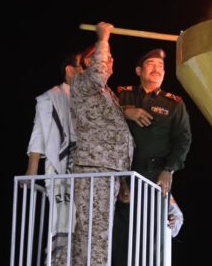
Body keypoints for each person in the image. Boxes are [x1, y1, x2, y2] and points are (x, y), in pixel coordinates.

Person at [54, 22, 135, 266]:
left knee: (90, 233)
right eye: (104, 57)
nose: (109, 61)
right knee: (95, 235)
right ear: (88, 63)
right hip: (95, 169)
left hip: (105, 170)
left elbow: (113, 132)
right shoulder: (84, 84)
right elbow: (100, 71)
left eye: (109, 57)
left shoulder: (103, 93)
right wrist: (103, 38)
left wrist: (122, 180)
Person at [112, 48, 192, 265]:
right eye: (151, 64)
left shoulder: (173, 103)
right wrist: (126, 111)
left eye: (161, 66)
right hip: (124, 175)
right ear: (138, 70)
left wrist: (169, 170)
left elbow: (183, 140)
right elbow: (103, 119)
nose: (157, 69)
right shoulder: (122, 95)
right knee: (120, 238)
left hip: (155, 176)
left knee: (151, 238)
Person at [24, 51, 81, 260]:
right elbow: (38, 134)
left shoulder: (91, 98)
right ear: (70, 70)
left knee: (84, 223)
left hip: (86, 167)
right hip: (61, 167)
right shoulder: (51, 97)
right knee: (62, 221)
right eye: (82, 67)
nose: (86, 72)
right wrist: (32, 171)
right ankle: (58, 261)